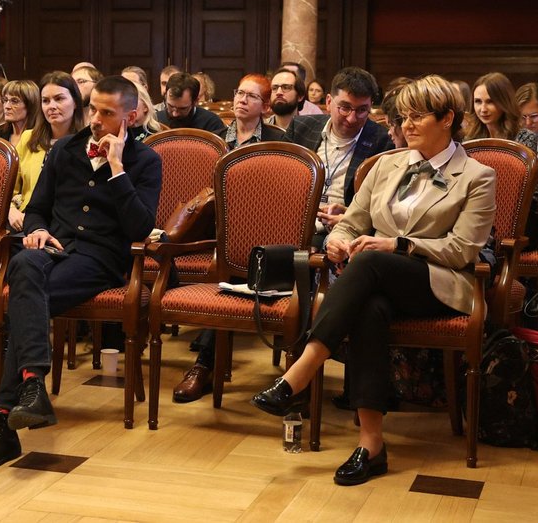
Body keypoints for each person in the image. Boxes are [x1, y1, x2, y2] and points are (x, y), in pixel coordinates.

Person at [252, 75, 496, 486]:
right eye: (405, 116)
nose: (407, 124)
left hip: (439, 284)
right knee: (369, 308)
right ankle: (372, 445)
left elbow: (462, 251)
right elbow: (350, 224)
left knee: (369, 264)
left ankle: (302, 370)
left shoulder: (477, 176)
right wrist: (338, 242)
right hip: (379, 283)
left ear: (448, 118)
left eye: (419, 116)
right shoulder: (388, 164)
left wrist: (397, 244)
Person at [0, 76, 162, 472]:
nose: (95, 120)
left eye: (107, 113)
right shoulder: (65, 148)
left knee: (24, 292)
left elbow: (138, 228)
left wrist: (117, 170)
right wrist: (36, 229)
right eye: (92, 109)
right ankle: (32, 389)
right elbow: (37, 207)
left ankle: (3, 420)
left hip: (99, 262)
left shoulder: (145, 161)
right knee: (25, 262)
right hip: (55, 248)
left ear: (130, 116)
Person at [173, 73, 286, 403]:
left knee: (235, 265)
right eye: (239, 93)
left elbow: (283, 196)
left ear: (265, 106)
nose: (242, 100)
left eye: (252, 96)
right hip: (212, 228)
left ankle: (204, 364)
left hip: (260, 230)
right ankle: (207, 359)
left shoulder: (278, 140)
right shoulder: (214, 140)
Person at [283, 66, 393, 247]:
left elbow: (382, 207)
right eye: (345, 108)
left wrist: (348, 216)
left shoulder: (382, 141)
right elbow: (279, 180)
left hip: (341, 230)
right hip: (292, 222)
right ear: (328, 102)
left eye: (362, 110)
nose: (351, 118)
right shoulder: (301, 127)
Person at [9, 72, 84, 232]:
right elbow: (7, 188)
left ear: (75, 102)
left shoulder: (87, 142)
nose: (51, 106)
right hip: (28, 221)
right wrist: (11, 211)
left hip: (70, 226)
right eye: (46, 101)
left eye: (59, 99)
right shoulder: (29, 138)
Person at [464, 72, 538, 151]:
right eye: (478, 101)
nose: (483, 109)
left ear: (504, 102)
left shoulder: (524, 137)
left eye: (490, 102)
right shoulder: (470, 139)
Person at [156, 72, 226, 136]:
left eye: (182, 108)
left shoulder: (211, 123)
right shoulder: (155, 121)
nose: (175, 113)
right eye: (170, 106)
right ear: (165, 96)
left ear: (195, 101)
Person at [0, 79, 39, 148]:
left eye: (14, 101)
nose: (7, 106)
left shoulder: (40, 137)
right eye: (5, 100)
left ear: (30, 105)